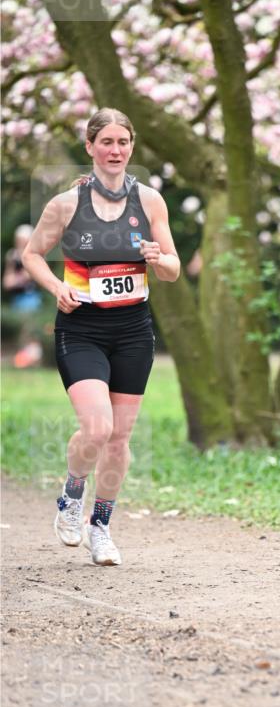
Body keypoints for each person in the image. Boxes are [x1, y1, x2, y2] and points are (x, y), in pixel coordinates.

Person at [21, 107, 180, 566]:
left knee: (119, 439)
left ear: (132, 148)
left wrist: (157, 257)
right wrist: (56, 286)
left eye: (123, 143)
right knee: (98, 427)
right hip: (82, 329)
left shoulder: (149, 201)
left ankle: (101, 527)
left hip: (133, 330)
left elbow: (171, 268)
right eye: (106, 142)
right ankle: (72, 495)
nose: (115, 150)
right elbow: (33, 255)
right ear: (89, 147)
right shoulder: (65, 205)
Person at [2, 224, 44, 368]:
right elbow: (7, 282)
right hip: (17, 299)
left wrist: (16, 279)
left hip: (30, 298)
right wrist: (18, 279)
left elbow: (29, 276)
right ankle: (22, 361)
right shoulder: (12, 256)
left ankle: (32, 361)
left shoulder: (34, 255)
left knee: (29, 330)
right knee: (21, 330)